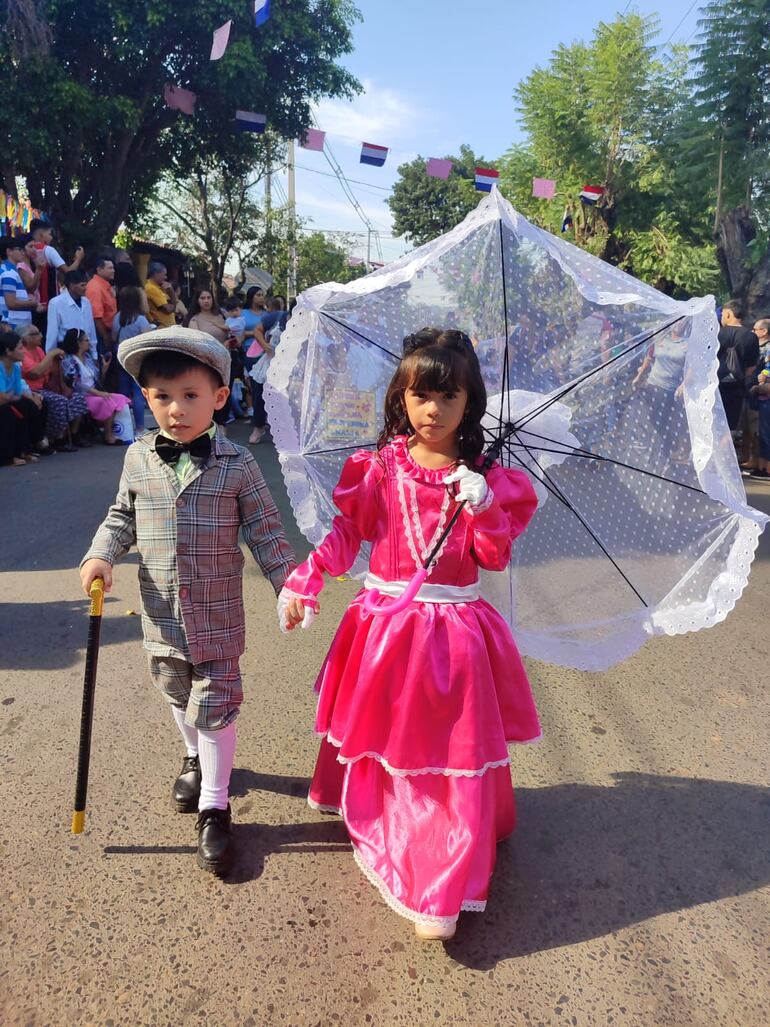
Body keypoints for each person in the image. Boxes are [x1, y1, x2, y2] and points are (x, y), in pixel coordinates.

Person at [278, 327, 540, 940]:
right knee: (385, 730)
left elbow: (494, 558)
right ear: (401, 396)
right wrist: (305, 580)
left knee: (449, 743)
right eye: (421, 395)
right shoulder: (377, 467)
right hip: (387, 627)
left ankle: (442, 867)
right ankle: (386, 816)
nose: (433, 410)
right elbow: (349, 535)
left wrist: (483, 507)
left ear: (470, 403)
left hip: (455, 630)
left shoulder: (486, 479)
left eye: (449, 397)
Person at [79, 328, 296, 875]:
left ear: (219, 397)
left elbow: (268, 534)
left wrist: (289, 584)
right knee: (176, 690)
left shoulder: (238, 464)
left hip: (217, 610)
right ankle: (195, 756)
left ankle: (216, 806)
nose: (176, 410)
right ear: (146, 399)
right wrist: (100, 555)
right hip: (160, 610)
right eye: (162, 397)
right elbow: (121, 516)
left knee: (216, 700)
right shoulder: (137, 458)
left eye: (191, 396)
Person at [19, 324, 85, 451]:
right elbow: (35, 372)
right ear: (26, 338)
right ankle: (56, 438)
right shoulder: (22, 352)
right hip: (32, 389)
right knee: (59, 401)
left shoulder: (38, 350)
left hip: (47, 385)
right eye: (36, 334)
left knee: (77, 398)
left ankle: (73, 434)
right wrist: (51, 355)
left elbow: (47, 370)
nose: (40, 336)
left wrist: (54, 361)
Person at [60, 328, 129, 445]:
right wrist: (97, 393)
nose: (89, 342)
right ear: (78, 343)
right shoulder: (69, 360)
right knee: (106, 401)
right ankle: (108, 435)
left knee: (120, 398)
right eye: (86, 340)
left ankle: (114, 431)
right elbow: (75, 383)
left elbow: (97, 381)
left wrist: (104, 370)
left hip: (94, 393)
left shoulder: (87, 359)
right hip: (82, 395)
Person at [0, 331, 47, 465]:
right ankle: (7, 457)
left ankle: (25, 449)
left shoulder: (15, 368)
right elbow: (2, 397)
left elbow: (17, 392)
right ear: (8, 351)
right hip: (2, 404)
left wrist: (33, 397)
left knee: (29, 406)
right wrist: (11, 397)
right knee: (9, 414)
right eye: (20, 348)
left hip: (8, 400)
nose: (23, 351)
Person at [113, 286, 155, 433]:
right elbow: (148, 339)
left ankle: (124, 428)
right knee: (138, 392)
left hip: (120, 356)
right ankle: (139, 427)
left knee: (123, 393)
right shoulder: (141, 320)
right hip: (136, 358)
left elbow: (113, 337)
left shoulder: (117, 317)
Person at [246, 297, 286, 445]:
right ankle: (258, 427)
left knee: (285, 398)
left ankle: (284, 429)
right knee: (260, 396)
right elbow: (257, 330)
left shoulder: (305, 325)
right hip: (268, 363)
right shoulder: (277, 317)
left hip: (288, 366)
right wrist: (264, 345)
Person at [717, 300, 759, 434]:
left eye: (723, 314)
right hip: (737, 388)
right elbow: (752, 366)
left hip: (715, 386)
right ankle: (728, 451)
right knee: (731, 426)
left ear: (729, 314)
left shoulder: (716, 334)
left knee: (714, 422)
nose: (722, 318)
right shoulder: (751, 337)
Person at [28, 219, 84, 313]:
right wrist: (78, 259)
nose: (51, 238)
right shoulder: (48, 250)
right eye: (49, 234)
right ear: (41, 234)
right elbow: (69, 272)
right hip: (47, 303)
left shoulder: (24, 250)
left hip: (30, 302)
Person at [45, 269, 98, 360]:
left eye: (86, 285)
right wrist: (51, 356)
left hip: (86, 352)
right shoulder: (56, 303)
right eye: (82, 285)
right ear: (72, 285)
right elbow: (52, 333)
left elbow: (91, 329)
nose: (85, 288)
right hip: (66, 351)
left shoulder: (86, 302)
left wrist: (94, 354)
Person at [0, 234, 41, 331]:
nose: (23, 252)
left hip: (17, 324)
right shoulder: (9, 273)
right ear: (9, 251)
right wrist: (32, 303)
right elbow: (11, 303)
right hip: (13, 325)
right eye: (19, 249)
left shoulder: (11, 271)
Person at [85, 257, 117, 364]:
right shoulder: (95, 287)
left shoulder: (105, 286)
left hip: (108, 332)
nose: (113, 270)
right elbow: (96, 317)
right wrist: (105, 337)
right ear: (99, 270)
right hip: (100, 334)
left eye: (113, 268)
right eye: (110, 268)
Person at [144, 262, 176, 328]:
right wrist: (172, 292)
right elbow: (169, 310)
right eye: (164, 275)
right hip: (163, 328)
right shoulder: (151, 288)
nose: (166, 277)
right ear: (156, 274)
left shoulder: (159, 287)